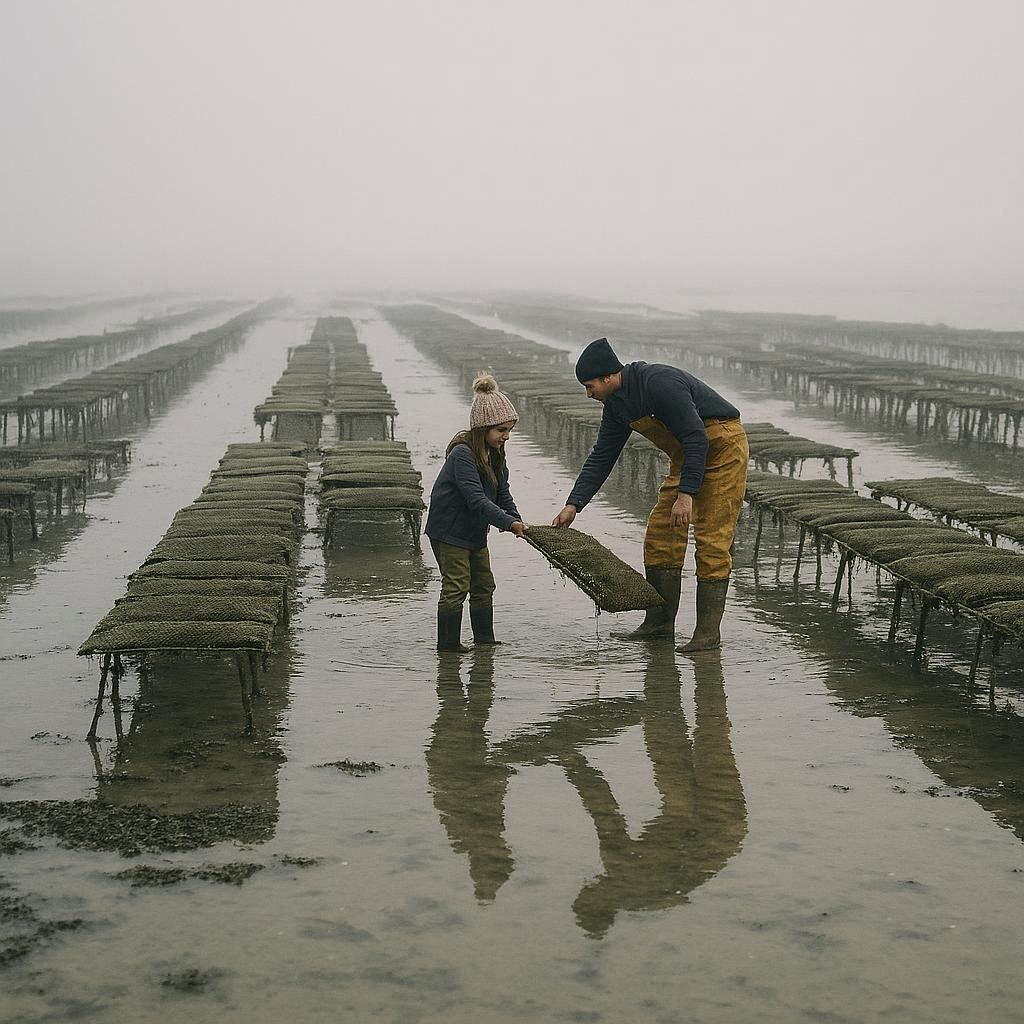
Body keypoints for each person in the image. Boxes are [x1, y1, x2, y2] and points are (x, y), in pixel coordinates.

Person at [552, 337, 748, 653]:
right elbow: (603, 455)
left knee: (712, 538)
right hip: (688, 455)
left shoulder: (659, 383)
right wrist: (574, 504)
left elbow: (696, 436)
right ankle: (658, 625)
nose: (588, 394)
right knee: (661, 534)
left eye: (590, 386)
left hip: (721, 448)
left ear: (608, 376)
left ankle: (707, 634)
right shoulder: (616, 404)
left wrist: (687, 495)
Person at [426, 374, 526, 652]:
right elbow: (476, 500)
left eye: (508, 431)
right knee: (456, 586)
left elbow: (502, 493)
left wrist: (516, 518)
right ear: (483, 428)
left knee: (484, 584)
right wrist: (508, 523)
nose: (506, 437)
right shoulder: (463, 454)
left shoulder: (496, 454)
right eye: (501, 431)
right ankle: (448, 648)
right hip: (449, 531)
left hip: (474, 530)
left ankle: (484, 641)